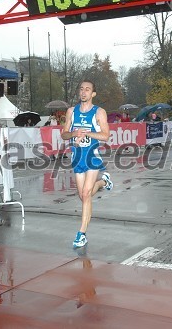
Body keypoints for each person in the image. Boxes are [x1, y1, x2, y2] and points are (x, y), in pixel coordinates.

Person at [61, 80, 113, 248]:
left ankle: (81, 234)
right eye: (82, 89)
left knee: (86, 192)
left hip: (91, 155)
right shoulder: (71, 112)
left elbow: (105, 136)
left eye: (87, 89)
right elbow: (64, 135)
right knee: (83, 196)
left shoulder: (99, 112)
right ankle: (104, 182)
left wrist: (87, 133)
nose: (84, 92)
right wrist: (73, 133)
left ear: (93, 94)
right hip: (77, 156)